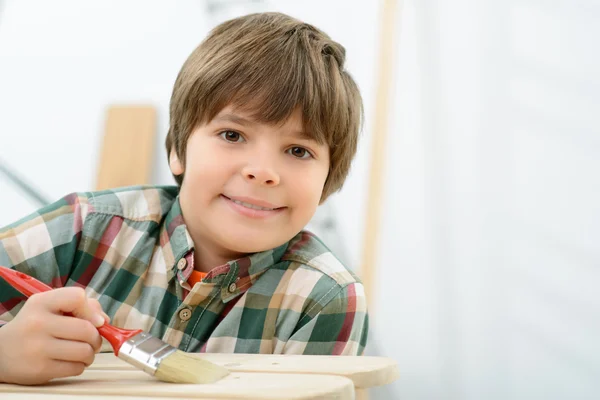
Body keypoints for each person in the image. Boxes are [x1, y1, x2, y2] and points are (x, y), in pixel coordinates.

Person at [0, 12, 368, 385]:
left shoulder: (325, 299)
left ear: (327, 181)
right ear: (178, 148)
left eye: (298, 151)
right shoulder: (85, 227)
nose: (263, 171)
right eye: (232, 135)